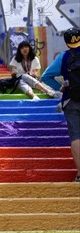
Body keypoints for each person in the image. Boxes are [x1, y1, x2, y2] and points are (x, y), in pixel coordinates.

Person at [41, 27, 80, 182]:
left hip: (71, 100)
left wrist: (61, 87)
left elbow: (46, 77)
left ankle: (79, 174)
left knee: (76, 136)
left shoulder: (63, 57)